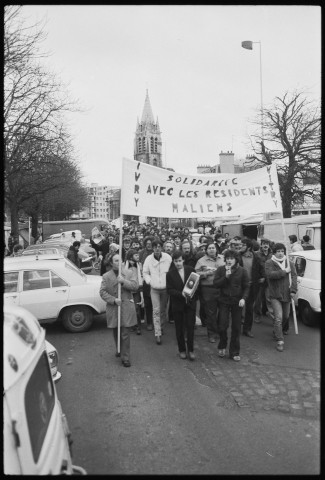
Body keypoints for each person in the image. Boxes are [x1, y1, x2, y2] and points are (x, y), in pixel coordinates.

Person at [99, 252, 138, 367]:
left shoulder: (129, 273)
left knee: (125, 332)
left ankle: (125, 357)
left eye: (120, 260)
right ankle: (119, 348)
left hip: (126, 307)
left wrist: (123, 282)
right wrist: (113, 300)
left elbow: (135, 286)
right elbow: (102, 292)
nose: (119, 262)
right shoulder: (106, 276)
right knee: (116, 331)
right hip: (114, 308)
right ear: (111, 263)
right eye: (116, 261)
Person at [213, 250, 250, 361]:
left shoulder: (242, 271)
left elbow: (246, 286)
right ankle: (222, 344)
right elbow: (216, 284)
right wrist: (226, 277)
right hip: (224, 300)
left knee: (236, 327)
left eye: (231, 259)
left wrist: (243, 298)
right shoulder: (221, 270)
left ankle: (234, 351)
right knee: (222, 325)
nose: (229, 261)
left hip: (237, 301)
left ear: (236, 260)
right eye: (227, 258)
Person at [265, 243, 298, 352]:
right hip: (275, 295)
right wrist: (284, 272)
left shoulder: (290, 263)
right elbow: (270, 275)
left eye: (282, 251)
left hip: (287, 295)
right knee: (278, 317)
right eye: (278, 251)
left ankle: (276, 331)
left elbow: (294, 276)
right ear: (274, 252)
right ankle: (280, 340)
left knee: (286, 316)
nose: (280, 253)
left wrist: (293, 290)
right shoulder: (269, 262)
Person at [166, 251, 198, 361]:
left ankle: (191, 350)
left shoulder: (191, 270)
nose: (178, 263)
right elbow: (169, 290)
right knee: (179, 328)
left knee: (190, 327)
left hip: (190, 304)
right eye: (176, 261)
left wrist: (193, 297)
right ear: (173, 262)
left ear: (183, 260)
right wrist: (181, 294)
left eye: (180, 261)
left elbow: (196, 285)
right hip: (177, 304)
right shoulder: (170, 274)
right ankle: (182, 350)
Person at [143, 238, 172, 344]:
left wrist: (169, 282)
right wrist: (150, 281)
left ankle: (161, 326)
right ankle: (158, 333)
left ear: (162, 247)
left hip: (165, 289)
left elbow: (172, 271)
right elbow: (145, 272)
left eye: (159, 246)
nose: (157, 249)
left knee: (163, 310)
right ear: (153, 248)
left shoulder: (168, 258)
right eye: (155, 247)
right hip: (154, 289)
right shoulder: (148, 259)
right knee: (156, 310)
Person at [195, 242, 225, 343]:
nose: (211, 250)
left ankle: (220, 332)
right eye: (209, 248)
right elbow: (195, 274)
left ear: (216, 249)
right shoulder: (201, 261)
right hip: (208, 288)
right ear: (206, 250)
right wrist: (205, 273)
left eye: (213, 248)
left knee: (223, 312)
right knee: (211, 313)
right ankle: (211, 334)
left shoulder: (223, 258)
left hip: (222, 288)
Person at [239, 237, 263, 338]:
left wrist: (262, 277)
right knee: (238, 308)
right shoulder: (237, 256)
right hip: (239, 286)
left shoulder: (256, 257)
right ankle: (236, 328)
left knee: (249, 309)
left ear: (248, 247)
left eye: (243, 245)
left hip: (252, 286)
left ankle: (247, 329)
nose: (240, 246)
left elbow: (262, 268)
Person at [124, 249, 144, 335]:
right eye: (136, 255)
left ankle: (138, 326)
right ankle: (132, 324)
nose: (138, 257)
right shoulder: (124, 265)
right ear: (131, 256)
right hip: (127, 290)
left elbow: (142, 276)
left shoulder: (139, 265)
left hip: (137, 289)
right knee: (129, 309)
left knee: (137, 309)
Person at [254, 238, 274, 323]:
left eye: (267, 244)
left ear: (269, 245)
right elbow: (255, 268)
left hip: (269, 280)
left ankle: (274, 318)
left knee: (269, 299)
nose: (265, 245)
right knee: (258, 300)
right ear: (261, 245)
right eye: (264, 243)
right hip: (260, 281)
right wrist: (259, 277)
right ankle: (257, 316)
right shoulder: (256, 254)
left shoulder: (272, 254)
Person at [139, 236, 154, 331]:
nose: (149, 245)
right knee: (147, 303)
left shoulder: (157, 253)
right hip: (145, 281)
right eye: (147, 243)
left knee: (157, 304)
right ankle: (149, 322)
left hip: (156, 281)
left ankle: (158, 324)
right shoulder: (141, 253)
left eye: (150, 243)